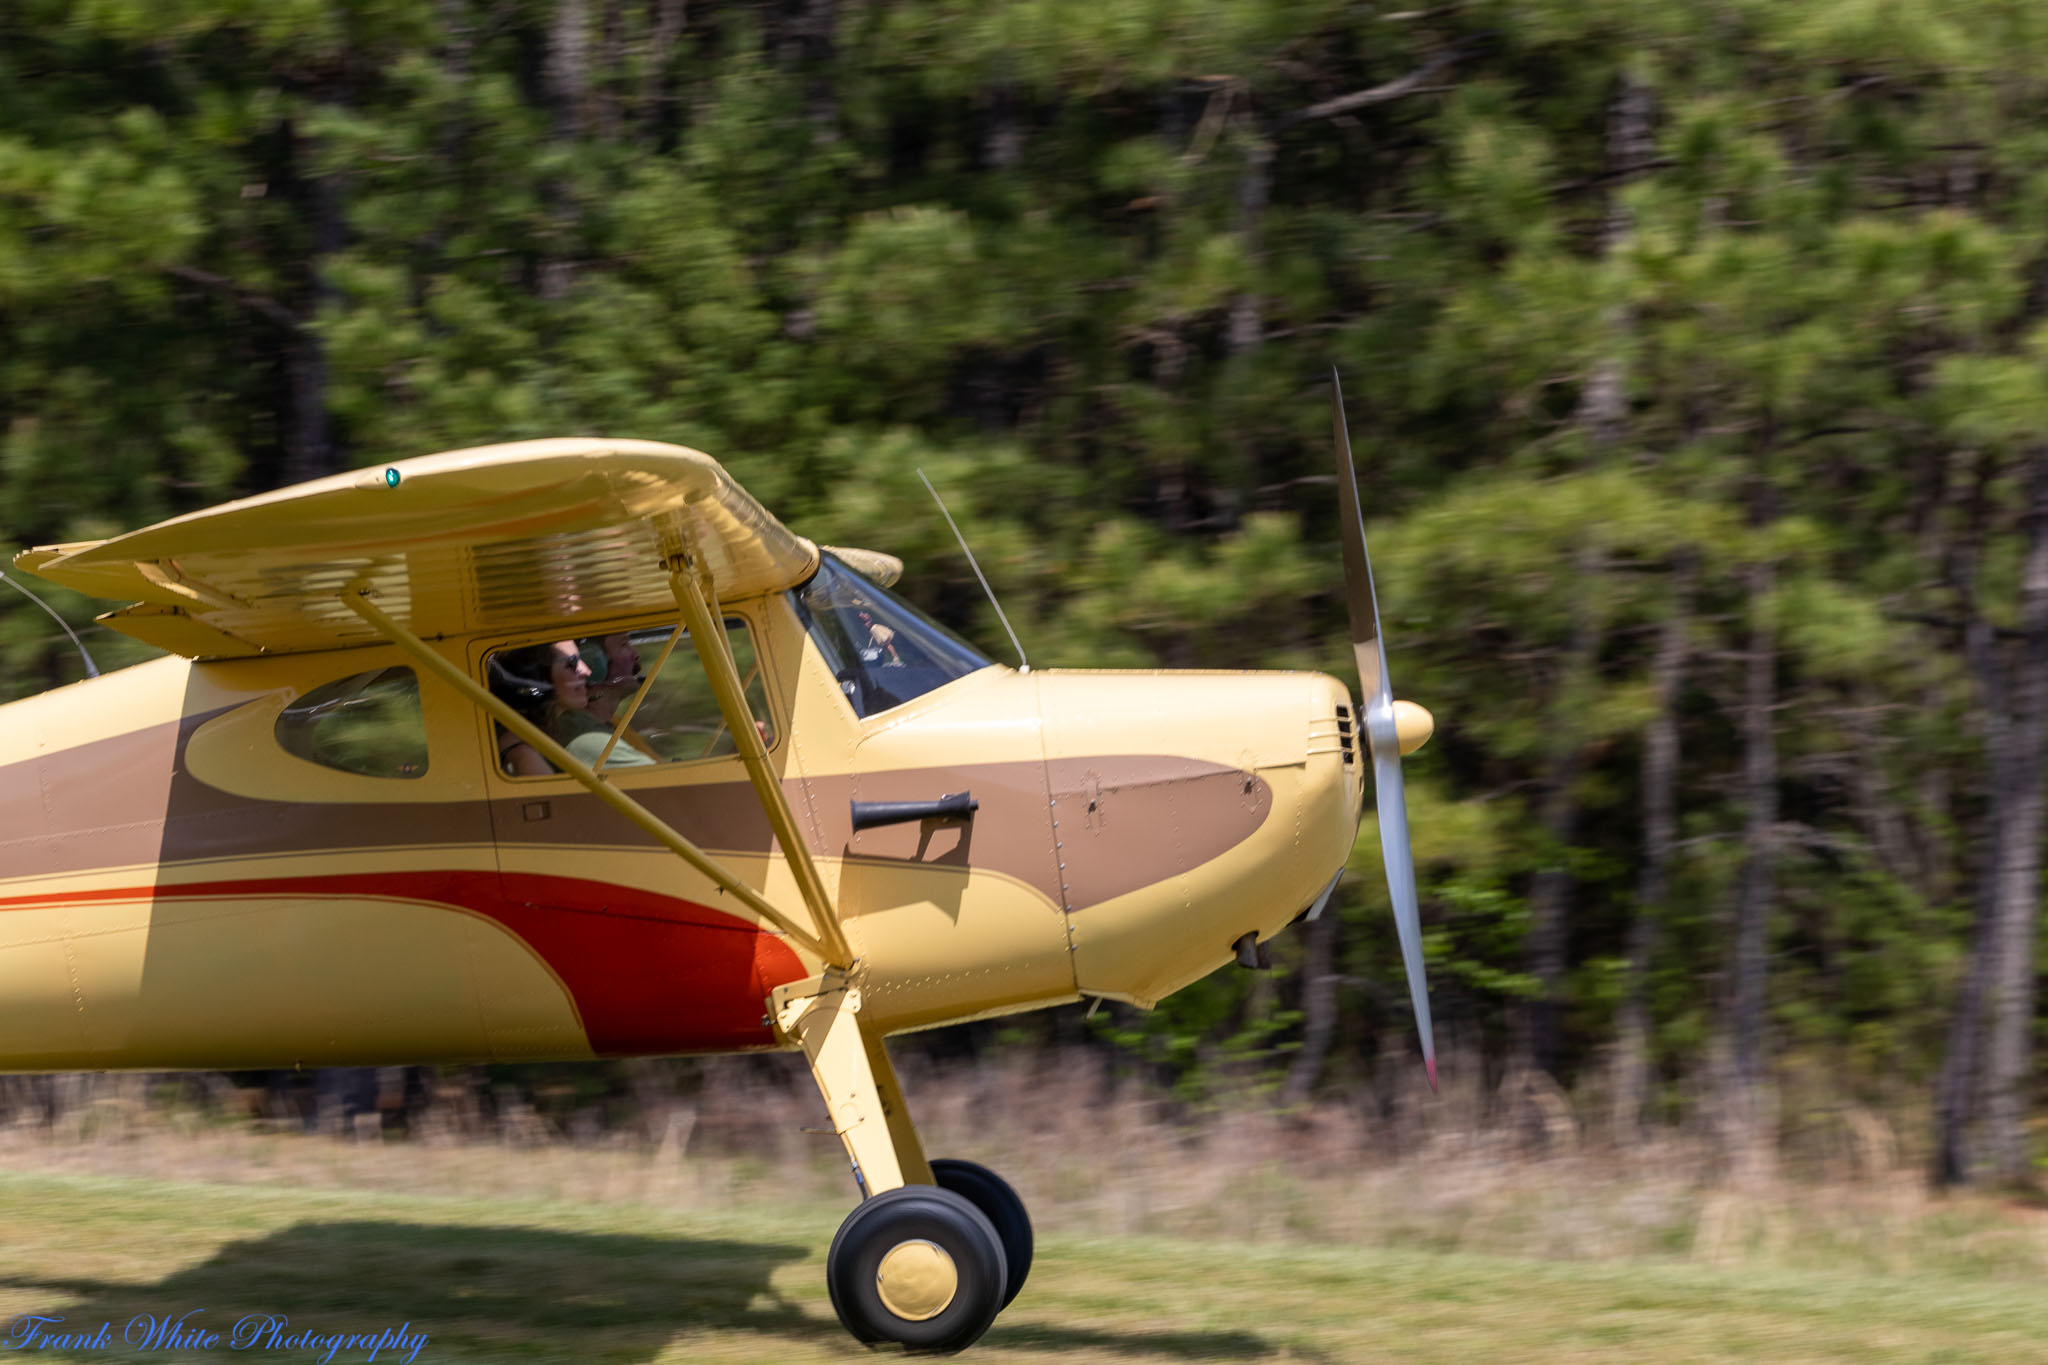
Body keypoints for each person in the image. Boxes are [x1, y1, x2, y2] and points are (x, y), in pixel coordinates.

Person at [494, 639, 655, 774]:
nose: (586, 671)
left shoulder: (542, 731)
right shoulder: (574, 734)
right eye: (571, 664)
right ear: (535, 678)